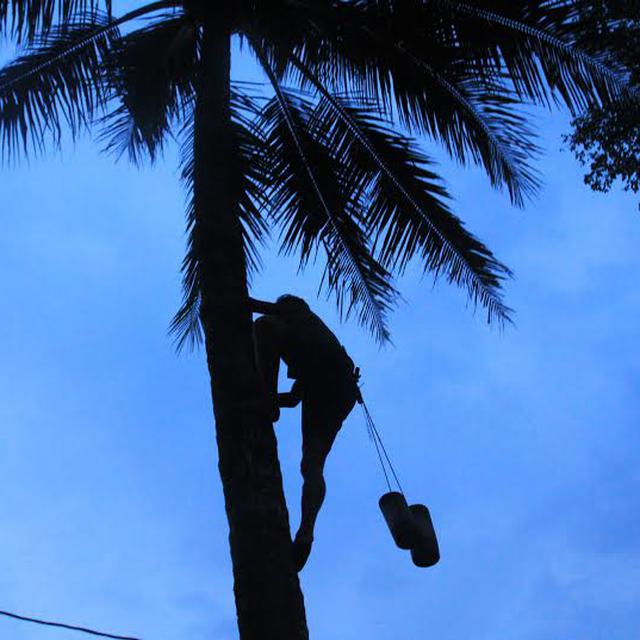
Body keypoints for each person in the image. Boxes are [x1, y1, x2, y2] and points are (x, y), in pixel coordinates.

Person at [249, 294, 361, 572]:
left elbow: (263, 312)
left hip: (333, 383)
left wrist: (232, 300)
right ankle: (306, 533)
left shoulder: (296, 310)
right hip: (330, 388)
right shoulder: (310, 343)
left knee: (264, 325)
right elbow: (293, 399)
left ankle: (307, 530)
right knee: (311, 465)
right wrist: (272, 402)